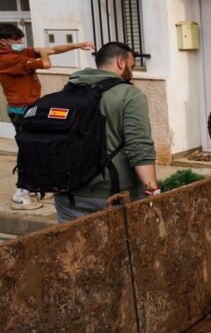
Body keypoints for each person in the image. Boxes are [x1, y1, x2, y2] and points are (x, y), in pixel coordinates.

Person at [54, 42, 159, 223]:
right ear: (120, 62)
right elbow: (139, 146)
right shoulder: (129, 94)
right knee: (122, 250)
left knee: (77, 250)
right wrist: (152, 190)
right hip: (112, 196)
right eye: (132, 66)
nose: (132, 73)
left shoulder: (69, 90)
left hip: (68, 197)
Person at [0, 23, 95, 209]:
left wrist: (77, 45)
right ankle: (21, 193)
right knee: (28, 150)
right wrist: (43, 53)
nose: (20, 43)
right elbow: (46, 62)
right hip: (21, 110)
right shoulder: (7, 59)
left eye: (21, 39)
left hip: (30, 107)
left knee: (36, 147)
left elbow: (50, 50)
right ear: (3, 42)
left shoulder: (18, 53)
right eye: (16, 40)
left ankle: (34, 187)